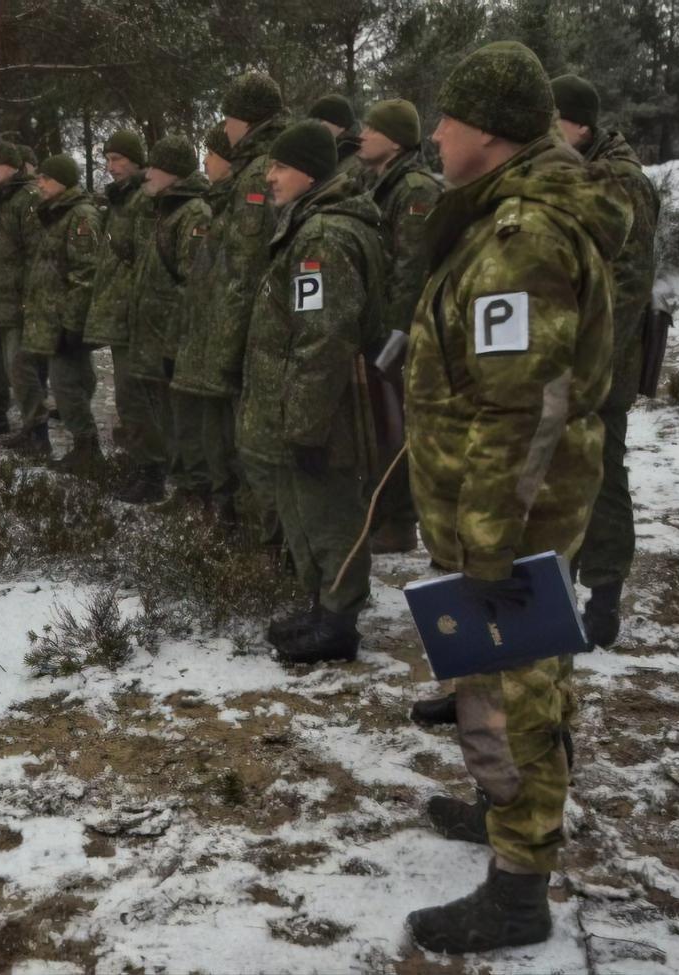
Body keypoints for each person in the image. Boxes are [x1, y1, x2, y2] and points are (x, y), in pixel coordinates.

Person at [403, 42, 630, 954]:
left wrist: (486, 544)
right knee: (516, 683)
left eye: (449, 119)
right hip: (507, 506)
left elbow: (523, 408)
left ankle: (518, 887)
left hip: (511, 515)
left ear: (489, 133)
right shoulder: (505, 216)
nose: (437, 133)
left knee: (515, 690)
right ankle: (508, 819)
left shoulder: (521, 237)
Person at [235, 120, 385, 666]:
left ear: (309, 171)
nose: (269, 177)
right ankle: (324, 607)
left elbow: (323, 337)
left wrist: (305, 425)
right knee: (311, 506)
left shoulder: (322, 237)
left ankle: (339, 619)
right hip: (307, 402)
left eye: (279, 166)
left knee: (328, 508)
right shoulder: (311, 225)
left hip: (323, 405)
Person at [552, 73, 660, 648]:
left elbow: (628, 283)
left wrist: (589, 360)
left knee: (601, 475)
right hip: (568, 355)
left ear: (581, 125)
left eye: (553, 121)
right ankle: (563, 586)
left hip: (602, 361)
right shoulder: (573, 171)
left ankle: (604, 599)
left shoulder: (621, 181)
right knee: (563, 474)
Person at [358, 99, 444, 555]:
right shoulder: (382, 184)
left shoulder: (413, 188)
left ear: (394, 140)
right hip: (383, 328)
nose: (362, 134)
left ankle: (399, 523)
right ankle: (388, 516)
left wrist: (393, 337)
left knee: (395, 429)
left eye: (372, 128)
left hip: (401, 333)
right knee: (381, 427)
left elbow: (412, 270)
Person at [213, 72, 290, 545]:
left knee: (258, 444)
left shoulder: (257, 171)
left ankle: (271, 543)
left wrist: (227, 345)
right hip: (276, 323)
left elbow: (245, 265)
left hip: (259, 328)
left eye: (229, 119)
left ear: (247, 120)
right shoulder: (279, 160)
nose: (224, 130)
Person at [117, 135, 212, 503]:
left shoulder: (193, 215)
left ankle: (195, 491)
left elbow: (194, 284)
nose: (148, 174)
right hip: (155, 334)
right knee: (166, 416)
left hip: (175, 337)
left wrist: (176, 332)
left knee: (183, 420)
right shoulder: (163, 210)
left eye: (155, 167)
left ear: (173, 172)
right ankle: (182, 485)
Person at [168, 122, 240, 519]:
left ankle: (227, 505)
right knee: (208, 429)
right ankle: (215, 498)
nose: (205, 162)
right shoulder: (217, 205)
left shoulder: (213, 209)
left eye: (210, 154)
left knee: (222, 433)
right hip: (204, 335)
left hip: (220, 338)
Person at [18, 154, 101, 466]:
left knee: (66, 382)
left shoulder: (80, 216)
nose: (39, 183)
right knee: (68, 380)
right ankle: (85, 445)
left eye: (46, 179)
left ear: (63, 181)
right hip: (52, 318)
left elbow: (85, 273)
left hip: (66, 320)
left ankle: (87, 447)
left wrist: (73, 322)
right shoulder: (55, 213)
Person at [84, 129, 152, 446]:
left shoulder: (143, 200)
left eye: (118, 159)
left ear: (136, 160)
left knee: (134, 390)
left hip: (136, 310)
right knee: (126, 389)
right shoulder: (119, 199)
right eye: (108, 160)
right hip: (119, 309)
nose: (111, 167)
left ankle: (149, 460)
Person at [0, 142, 42, 441]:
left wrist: (27, 296)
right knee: (11, 367)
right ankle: (30, 425)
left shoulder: (26, 199)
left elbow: (36, 253)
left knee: (21, 368)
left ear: (15, 168)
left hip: (19, 302)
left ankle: (36, 430)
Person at [308, 93, 368, 190]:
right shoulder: (324, 151)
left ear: (340, 125)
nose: (314, 127)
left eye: (320, 122)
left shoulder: (361, 160)